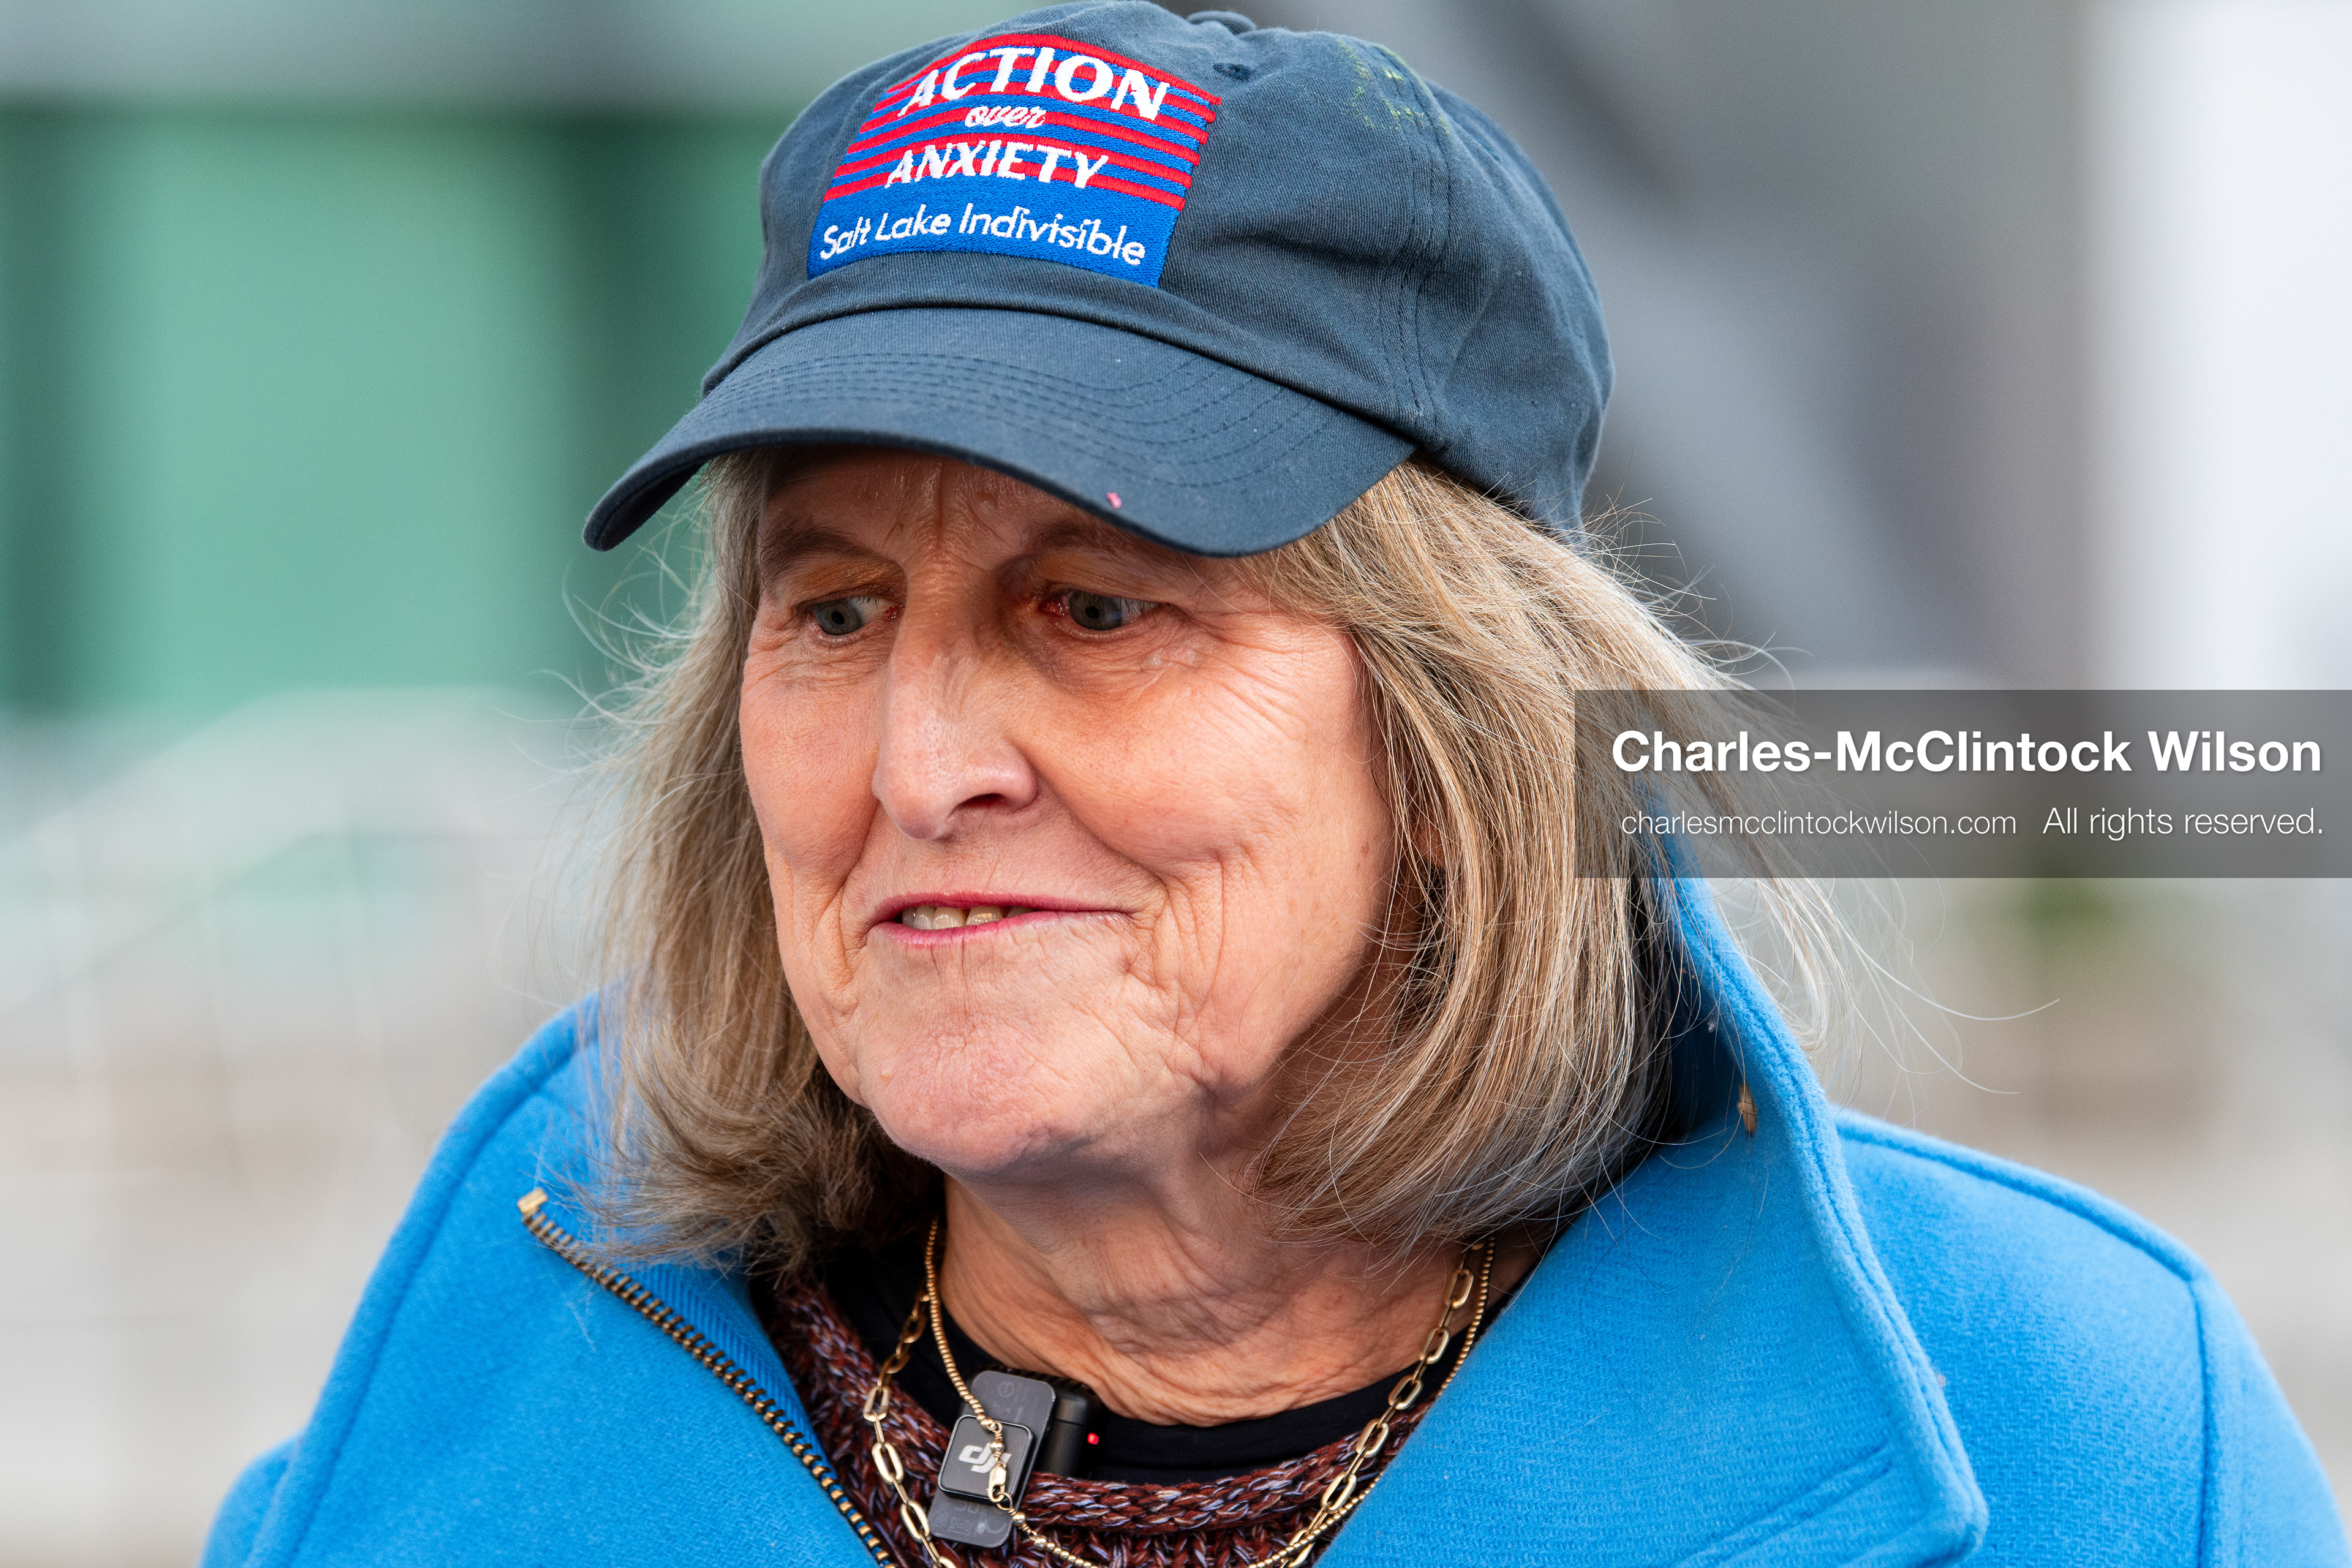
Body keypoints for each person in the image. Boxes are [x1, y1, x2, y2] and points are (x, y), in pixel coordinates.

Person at [202, 6, 2346, 1566]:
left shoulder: (2083, 1446)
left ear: (1458, 730)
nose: (921, 768)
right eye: (835, 611)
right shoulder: (471, 1384)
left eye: (1095, 609)